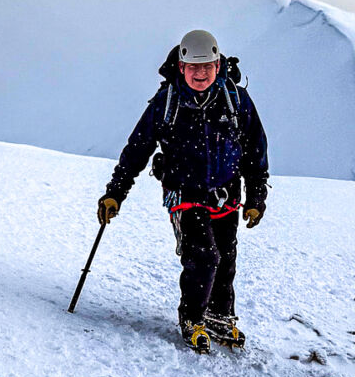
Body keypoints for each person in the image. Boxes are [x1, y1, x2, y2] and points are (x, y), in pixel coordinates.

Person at [98, 29, 268, 353]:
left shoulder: (236, 100)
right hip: (183, 194)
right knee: (204, 256)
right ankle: (192, 318)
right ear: (181, 66)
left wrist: (256, 198)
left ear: (218, 65)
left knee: (226, 256)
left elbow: (255, 151)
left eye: (207, 66)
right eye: (193, 67)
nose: (200, 73)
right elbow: (137, 149)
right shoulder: (167, 102)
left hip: (226, 194)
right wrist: (115, 193)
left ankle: (219, 315)